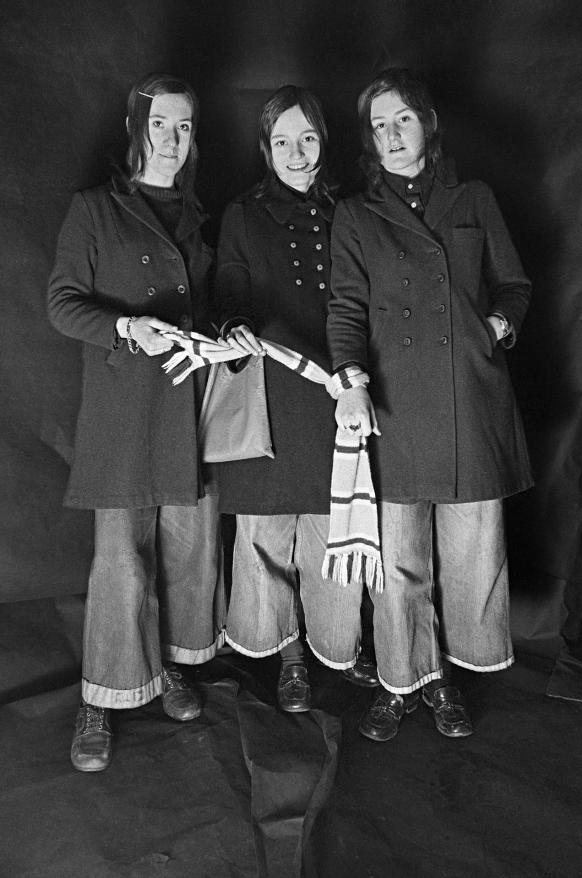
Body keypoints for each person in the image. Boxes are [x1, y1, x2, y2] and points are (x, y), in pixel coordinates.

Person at [328, 68, 533, 742]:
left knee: (472, 547)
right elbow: (346, 309)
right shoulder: (357, 215)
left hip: (468, 399)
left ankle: (453, 673)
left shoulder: (474, 198)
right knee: (398, 556)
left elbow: (514, 285)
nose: (391, 135)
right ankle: (404, 679)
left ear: (427, 126)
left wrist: (496, 329)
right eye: (379, 126)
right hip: (393, 403)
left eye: (402, 121)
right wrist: (351, 378)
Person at [47, 73, 225, 772]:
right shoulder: (95, 209)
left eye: (184, 127)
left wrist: (220, 334)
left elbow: (206, 307)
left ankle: (167, 669)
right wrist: (127, 327)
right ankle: (102, 695)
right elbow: (62, 304)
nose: (173, 139)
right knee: (121, 560)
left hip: (188, 407)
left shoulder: (198, 217)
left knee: (188, 553)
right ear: (136, 129)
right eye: (162, 125)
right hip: (125, 410)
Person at [213, 85, 376, 713]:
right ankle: (287, 656)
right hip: (272, 395)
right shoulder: (243, 215)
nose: (296, 152)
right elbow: (229, 289)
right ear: (265, 148)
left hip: (339, 393)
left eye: (307, 138)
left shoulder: (352, 212)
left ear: (324, 141)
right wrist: (233, 326)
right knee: (265, 534)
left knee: (332, 528)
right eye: (282, 141)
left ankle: (336, 644)